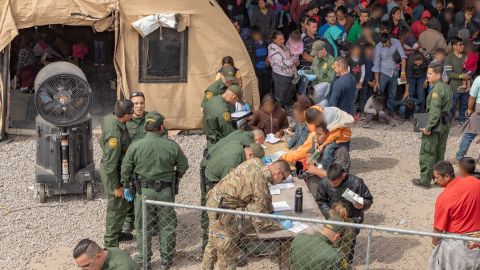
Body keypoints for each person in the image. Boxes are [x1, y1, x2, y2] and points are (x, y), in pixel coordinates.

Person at [120, 112, 189, 269]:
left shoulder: (135, 146)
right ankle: (166, 260)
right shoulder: (172, 146)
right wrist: (175, 176)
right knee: (167, 225)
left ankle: (145, 259)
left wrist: (126, 185)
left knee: (143, 226)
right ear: (161, 127)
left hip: (143, 191)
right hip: (165, 191)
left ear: (146, 127)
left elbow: (126, 168)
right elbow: (184, 166)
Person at [201, 159, 293, 270]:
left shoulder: (257, 162)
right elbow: (259, 222)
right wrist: (281, 225)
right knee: (227, 252)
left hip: (215, 200)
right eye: (283, 178)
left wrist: (269, 209)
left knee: (213, 242)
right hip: (221, 212)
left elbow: (264, 192)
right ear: (277, 172)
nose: (282, 182)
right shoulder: (259, 185)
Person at [200, 142, 265, 249]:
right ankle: (213, 246)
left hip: (216, 182)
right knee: (218, 222)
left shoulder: (240, 150)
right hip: (214, 186)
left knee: (223, 222)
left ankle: (216, 246)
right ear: (251, 155)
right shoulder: (233, 161)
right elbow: (229, 189)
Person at [316, 163, 373, 262]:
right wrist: (329, 214)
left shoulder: (357, 183)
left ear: (343, 175)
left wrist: (362, 205)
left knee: (348, 246)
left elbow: (368, 200)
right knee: (331, 244)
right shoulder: (325, 182)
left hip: (352, 219)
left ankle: (346, 264)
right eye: (330, 182)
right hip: (333, 219)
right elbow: (321, 200)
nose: (332, 184)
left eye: (335, 183)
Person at [428, 161, 480, 270]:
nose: (435, 180)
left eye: (436, 177)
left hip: (458, 244)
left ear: (447, 176)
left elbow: (438, 228)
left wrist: (434, 245)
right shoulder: (475, 182)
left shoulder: (444, 198)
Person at [100, 100, 134, 248]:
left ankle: (117, 233)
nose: (133, 115)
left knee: (121, 207)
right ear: (126, 115)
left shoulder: (109, 118)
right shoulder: (115, 136)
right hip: (113, 173)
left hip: (115, 168)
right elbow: (110, 164)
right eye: (131, 113)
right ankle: (110, 243)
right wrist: (116, 186)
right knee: (115, 209)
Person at [413, 63, 452, 188]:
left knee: (428, 151)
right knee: (440, 151)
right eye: (427, 73)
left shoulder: (436, 91)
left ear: (438, 75)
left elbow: (434, 112)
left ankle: (425, 180)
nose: (427, 76)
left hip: (435, 122)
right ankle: (439, 179)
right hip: (445, 122)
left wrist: (428, 127)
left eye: (430, 74)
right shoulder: (446, 87)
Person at [122, 91, 149, 234]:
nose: (139, 106)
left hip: (147, 165)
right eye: (136, 103)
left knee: (147, 193)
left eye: (142, 103)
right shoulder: (125, 120)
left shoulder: (151, 119)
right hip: (130, 164)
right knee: (129, 192)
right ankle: (128, 220)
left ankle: (150, 221)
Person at [304, 125, 351, 194]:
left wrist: (317, 171)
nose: (316, 137)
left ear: (329, 134)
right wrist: (309, 157)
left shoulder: (341, 151)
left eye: (319, 134)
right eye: (316, 134)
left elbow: (341, 178)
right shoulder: (318, 142)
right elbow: (310, 152)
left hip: (330, 192)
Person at [305, 105, 353, 170]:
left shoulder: (329, 118)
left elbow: (335, 134)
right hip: (334, 134)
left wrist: (324, 145)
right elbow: (317, 134)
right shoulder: (321, 115)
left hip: (341, 137)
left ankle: (326, 169)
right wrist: (316, 142)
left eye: (315, 123)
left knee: (329, 151)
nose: (316, 124)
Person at [372, 32, 407, 113]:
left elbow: (403, 57)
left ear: (389, 40)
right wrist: (377, 81)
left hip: (395, 73)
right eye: (382, 43)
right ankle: (378, 113)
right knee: (379, 93)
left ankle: (391, 112)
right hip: (383, 73)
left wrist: (403, 72)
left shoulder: (396, 42)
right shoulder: (378, 47)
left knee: (393, 94)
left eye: (385, 43)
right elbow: (376, 65)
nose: (383, 45)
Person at [453, 75, 480, 162]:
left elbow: (472, 97)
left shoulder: (479, 79)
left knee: (469, 133)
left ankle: (459, 157)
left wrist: (469, 110)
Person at [268, 31, 297, 107]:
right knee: (280, 95)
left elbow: (289, 55)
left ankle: (285, 110)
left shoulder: (283, 46)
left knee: (288, 93)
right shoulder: (272, 49)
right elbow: (281, 63)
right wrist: (292, 61)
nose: (282, 41)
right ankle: (278, 111)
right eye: (279, 39)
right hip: (280, 75)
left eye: (283, 39)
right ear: (274, 40)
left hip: (288, 75)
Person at [445, 37, 469, 125]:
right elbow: (449, 74)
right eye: (460, 44)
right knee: (452, 105)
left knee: (464, 105)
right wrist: (461, 76)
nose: (463, 46)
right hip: (454, 86)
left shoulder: (466, 55)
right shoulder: (448, 58)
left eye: (463, 44)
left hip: (466, 85)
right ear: (454, 46)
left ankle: (462, 120)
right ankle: (449, 120)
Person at [73, 238, 140, 270]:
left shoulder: (123, 267)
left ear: (99, 257)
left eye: (86, 266)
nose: (83, 269)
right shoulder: (105, 253)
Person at [246, 27, 270, 99]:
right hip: (257, 70)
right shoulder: (250, 44)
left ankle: (266, 100)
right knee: (259, 87)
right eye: (255, 35)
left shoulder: (266, 42)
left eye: (258, 34)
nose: (258, 36)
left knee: (266, 86)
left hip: (266, 69)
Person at [347, 44, 365, 116]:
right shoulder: (349, 60)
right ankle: (350, 113)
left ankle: (353, 113)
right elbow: (348, 73)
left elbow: (363, 72)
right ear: (351, 51)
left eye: (358, 51)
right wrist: (354, 84)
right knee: (351, 97)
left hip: (358, 83)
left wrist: (360, 82)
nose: (357, 52)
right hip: (351, 83)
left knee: (355, 97)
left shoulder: (361, 60)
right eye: (355, 50)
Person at [360, 43, 375, 112]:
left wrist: (374, 80)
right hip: (364, 81)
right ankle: (362, 110)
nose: (371, 51)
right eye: (369, 49)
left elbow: (376, 69)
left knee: (370, 96)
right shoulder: (362, 59)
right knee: (363, 96)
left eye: (372, 49)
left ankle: (369, 110)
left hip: (372, 80)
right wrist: (367, 81)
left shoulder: (373, 59)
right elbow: (361, 72)